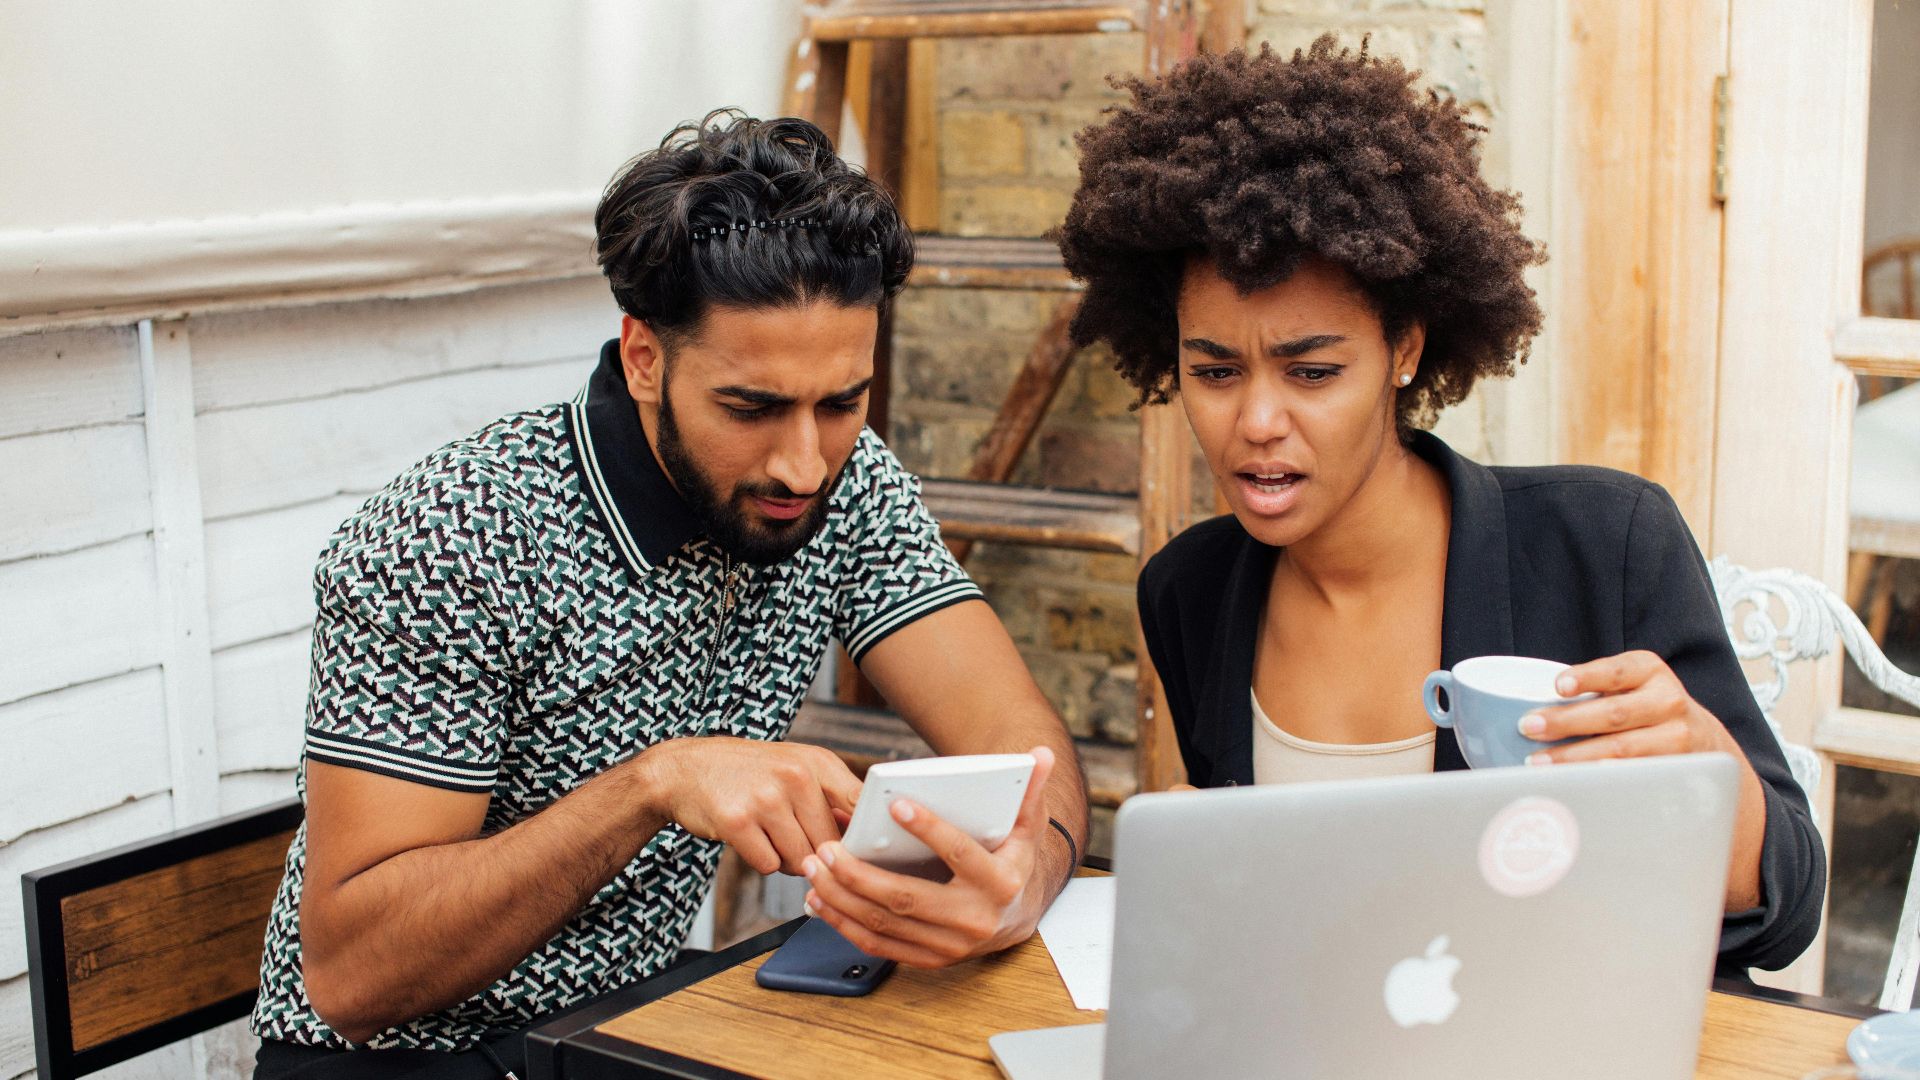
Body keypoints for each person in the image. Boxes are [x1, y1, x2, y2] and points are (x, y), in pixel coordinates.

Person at [250, 110, 1089, 1078]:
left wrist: (1028, 875)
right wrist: (656, 783)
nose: (805, 464)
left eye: (844, 402)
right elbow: (356, 978)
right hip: (406, 1060)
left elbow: (1023, 744)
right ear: (645, 358)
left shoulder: (852, 486)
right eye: (753, 407)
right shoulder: (456, 535)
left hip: (633, 1028)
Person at [1057, 39, 1822, 974]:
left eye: (1312, 371)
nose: (1255, 421)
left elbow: (1788, 911)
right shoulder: (1190, 591)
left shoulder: (1603, 542)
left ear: (1406, 350)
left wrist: (1705, 774)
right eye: (1214, 371)